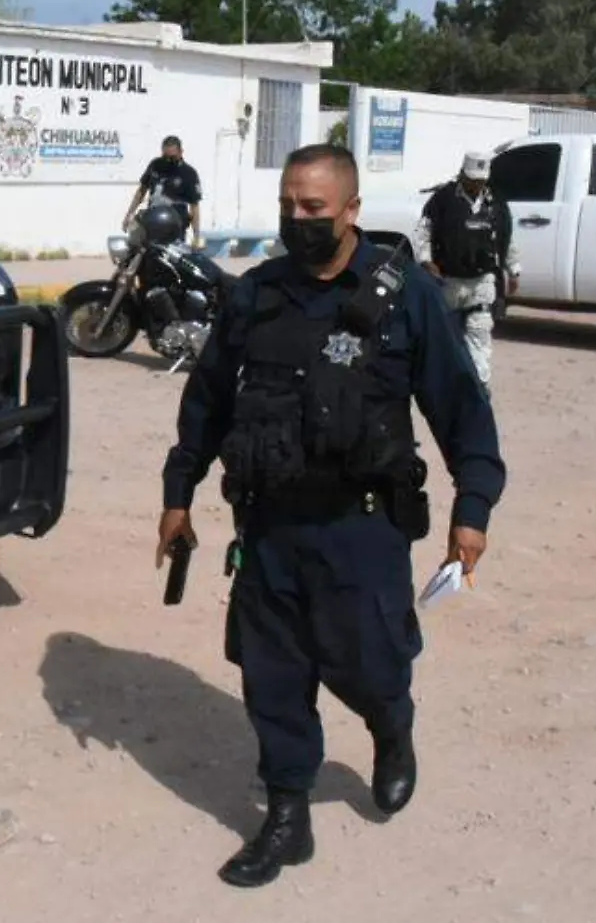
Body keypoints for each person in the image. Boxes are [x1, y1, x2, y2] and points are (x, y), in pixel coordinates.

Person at [155, 142, 506, 889]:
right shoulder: (256, 295)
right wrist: (178, 493)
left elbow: (461, 408)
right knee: (272, 675)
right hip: (271, 524)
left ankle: (392, 728)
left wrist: (471, 510)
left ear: (351, 212)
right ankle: (288, 816)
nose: (297, 219)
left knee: (372, 662)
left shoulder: (403, 294)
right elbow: (209, 401)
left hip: (364, 526)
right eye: (287, 205)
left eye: (312, 208)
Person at [412, 151, 519, 398]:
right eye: (472, 179)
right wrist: (426, 261)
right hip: (449, 281)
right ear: (462, 174)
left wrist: (514, 269)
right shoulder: (442, 200)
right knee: (445, 335)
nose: (476, 184)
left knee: (479, 333)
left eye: (480, 180)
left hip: (482, 281)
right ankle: (445, 384)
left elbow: (507, 238)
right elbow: (423, 233)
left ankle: (479, 386)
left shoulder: (497, 204)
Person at [125, 135, 203, 248]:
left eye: (172, 157)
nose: (169, 161)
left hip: (175, 228)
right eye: (165, 156)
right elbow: (141, 191)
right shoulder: (155, 166)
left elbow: (194, 206)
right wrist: (129, 214)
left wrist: (196, 236)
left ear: (181, 152)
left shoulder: (189, 173)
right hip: (152, 224)